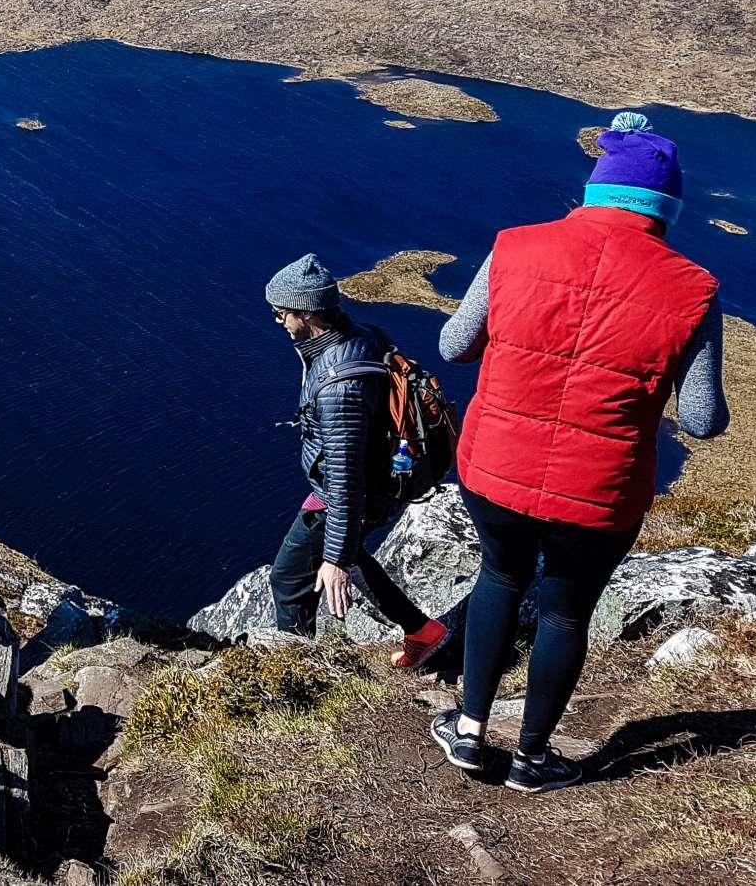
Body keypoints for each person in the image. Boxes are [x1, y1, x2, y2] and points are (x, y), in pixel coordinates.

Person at [429, 112, 729, 793]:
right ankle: (534, 759)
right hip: (599, 492)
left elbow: (452, 344)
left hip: (495, 469)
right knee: (566, 611)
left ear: (595, 187)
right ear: (667, 208)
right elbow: (703, 419)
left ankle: (470, 731)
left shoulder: (514, 246)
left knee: (500, 578)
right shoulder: (694, 289)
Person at [265, 255, 446, 666]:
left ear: (307, 312)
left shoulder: (339, 390)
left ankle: (299, 674)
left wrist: (336, 560)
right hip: (384, 475)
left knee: (290, 579)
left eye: (282, 313)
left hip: (352, 494)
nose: (278, 321)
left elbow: (345, 479)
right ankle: (422, 630)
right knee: (343, 555)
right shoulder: (363, 336)